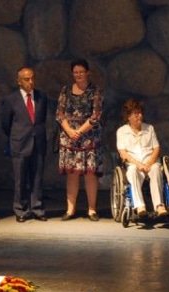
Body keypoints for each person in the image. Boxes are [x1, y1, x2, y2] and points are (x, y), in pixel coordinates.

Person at [55, 59, 104, 221]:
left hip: (89, 138)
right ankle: (70, 210)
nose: (78, 75)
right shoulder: (65, 90)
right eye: (75, 72)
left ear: (87, 72)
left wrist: (80, 131)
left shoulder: (95, 90)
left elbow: (96, 115)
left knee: (90, 174)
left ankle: (92, 210)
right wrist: (70, 131)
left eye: (81, 72)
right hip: (69, 138)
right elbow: (60, 114)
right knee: (72, 174)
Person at [0, 67, 49, 221]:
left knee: (37, 178)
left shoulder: (42, 96)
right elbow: (5, 123)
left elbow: (42, 119)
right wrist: (17, 136)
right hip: (20, 143)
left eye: (32, 78)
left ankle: (37, 209)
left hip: (38, 142)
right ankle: (20, 209)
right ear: (19, 81)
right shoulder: (11, 99)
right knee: (20, 179)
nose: (31, 82)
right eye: (27, 79)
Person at [116, 99, 168, 218]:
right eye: (136, 114)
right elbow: (123, 153)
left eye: (140, 113)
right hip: (133, 164)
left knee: (156, 169)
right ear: (128, 116)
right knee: (133, 170)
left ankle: (159, 205)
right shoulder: (122, 132)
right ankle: (139, 205)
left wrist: (149, 163)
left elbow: (156, 148)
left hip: (150, 162)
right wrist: (139, 164)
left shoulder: (149, 128)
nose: (140, 116)